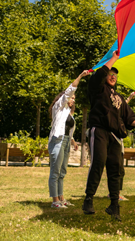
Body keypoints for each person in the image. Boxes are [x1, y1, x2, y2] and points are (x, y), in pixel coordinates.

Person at [82, 51, 135, 221]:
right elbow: (100, 74)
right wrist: (114, 58)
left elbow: (128, 117)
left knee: (115, 170)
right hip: (100, 130)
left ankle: (114, 205)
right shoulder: (98, 88)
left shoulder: (118, 97)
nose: (112, 77)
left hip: (115, 136)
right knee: (98, 163)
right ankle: (88, 200)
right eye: (110, 74)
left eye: (115, 76)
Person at [48, 70, 90, 208]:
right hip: (57, 141)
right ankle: (55, 201)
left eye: (74, 99)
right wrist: (80, 76)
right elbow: (69, 91)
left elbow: (68, 130)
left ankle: (61, 198)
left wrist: (73, 142)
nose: (73, 99)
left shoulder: (69, 115)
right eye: (72, 98)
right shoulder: (59, 107)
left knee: (62, 171)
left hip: (65, 142)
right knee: (55, 171)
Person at [107, 91, 135, 202]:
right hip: (115, 144)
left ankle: (115, 193)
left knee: (120, 171)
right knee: (118, 170)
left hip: (120, 145)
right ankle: (115, 193)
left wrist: (129, 97)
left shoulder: (120, 115)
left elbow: (122, 107)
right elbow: (118, 109)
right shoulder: (114, 120)